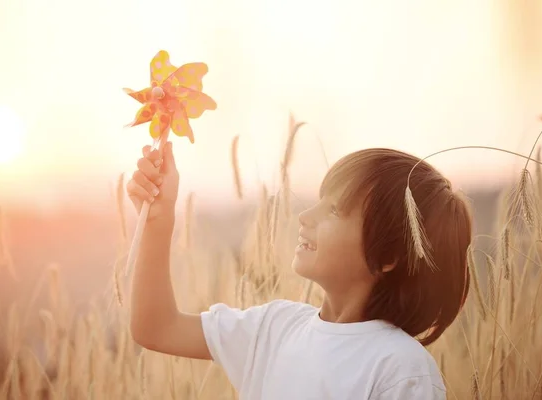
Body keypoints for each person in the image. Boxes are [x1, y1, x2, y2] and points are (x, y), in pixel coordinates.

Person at [127, 141, 472, 399]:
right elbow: (156, 327)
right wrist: (159, 219)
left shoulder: (402, 369)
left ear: (387, 257)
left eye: (334, 210)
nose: (305, 217)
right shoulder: (274, 327)